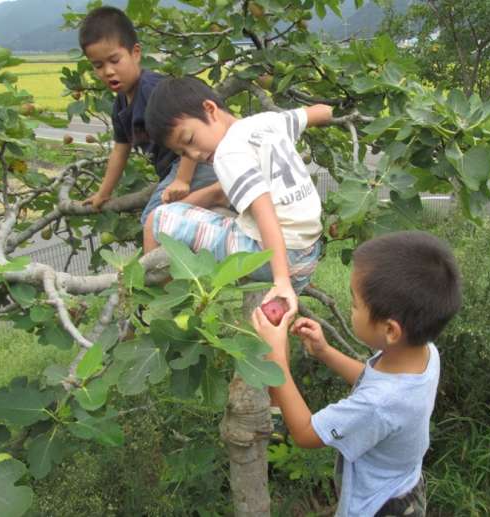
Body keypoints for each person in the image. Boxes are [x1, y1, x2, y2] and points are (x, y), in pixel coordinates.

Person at [251, 231, 462, 517]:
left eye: (354, 304)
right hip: (404, 486)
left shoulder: (379, 405)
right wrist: (325, 351)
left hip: (377, 508)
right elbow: (372, 378)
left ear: (390, 330)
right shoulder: (423, 353)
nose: (350, 308)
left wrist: (276, 357)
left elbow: (304, 433)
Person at [143, 76, 332, 314]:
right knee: (211, 200)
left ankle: (169, 309)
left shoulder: (228, 153)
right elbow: (317, 112)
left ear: (210, 109)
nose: (194, 154)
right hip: (310, 248)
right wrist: (333, 111)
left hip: (280, 256)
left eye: (189, 140)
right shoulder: (266, 122)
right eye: (183, 153)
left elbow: (265, 212)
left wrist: (281, 279)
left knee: (156, 219)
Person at [77, 6, 225, 230]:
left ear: (135, 53)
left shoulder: (153, 89)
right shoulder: (119, 106)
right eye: (98, 66)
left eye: (114, 60)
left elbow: (191, 134)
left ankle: (218, 202)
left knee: (153, 220)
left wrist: (182, 180)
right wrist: (103, 194)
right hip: (176, 170)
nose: (108, 71)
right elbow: (120, 151)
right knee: (161, 220)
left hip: (197, 161)